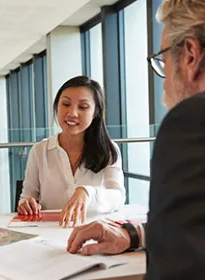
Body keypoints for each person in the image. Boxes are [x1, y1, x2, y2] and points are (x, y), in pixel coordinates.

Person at [68, 1, 205, 278]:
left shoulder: (191, 122)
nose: (164, 83)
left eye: (163, 61)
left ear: (191, 55)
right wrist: (132, 235)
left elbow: (180, 268)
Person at [17, 76, 126, 227]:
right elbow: (27, 197)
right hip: (49, 233)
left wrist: (87, 193)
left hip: (93, 231)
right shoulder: (39, 150)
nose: (72, 113)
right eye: (66, 104)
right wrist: (26, 204)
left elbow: (118, 197)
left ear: (96, 112)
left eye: (82, 107)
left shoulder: (108, 150)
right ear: (57, 107)